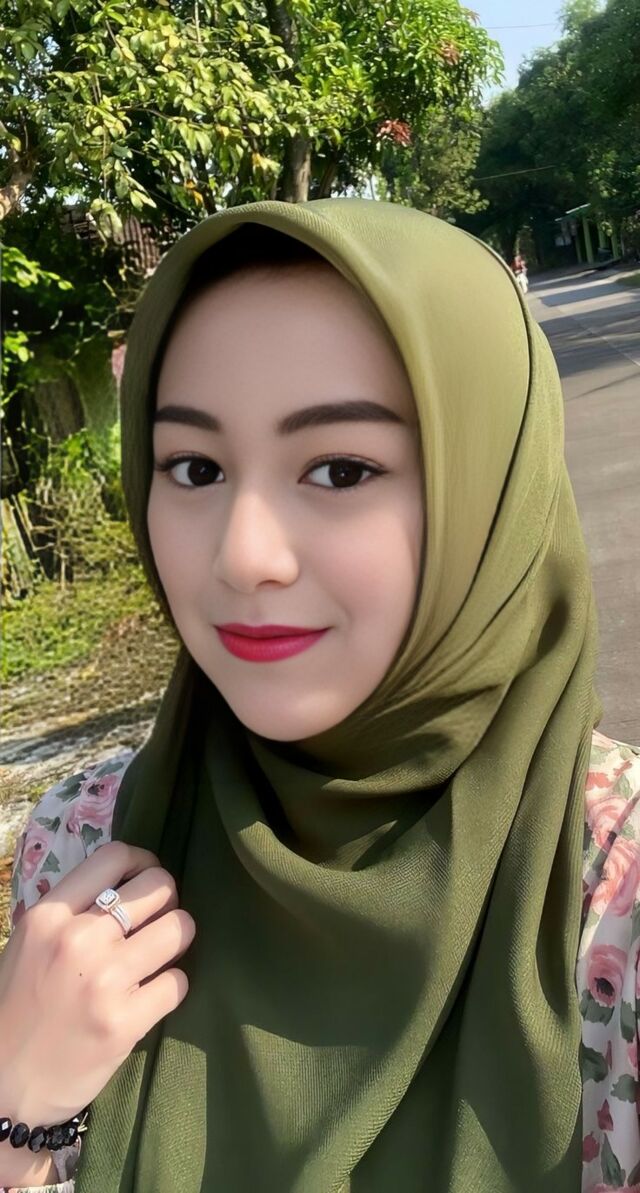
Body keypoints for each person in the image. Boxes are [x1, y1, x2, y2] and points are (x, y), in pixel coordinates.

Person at [1, 198, 639, 1193]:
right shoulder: (84, 853)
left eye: (340, 469)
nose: (244, 554)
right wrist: (19, 1109)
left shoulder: (615, 902)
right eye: (195, 467)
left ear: (489, 495)